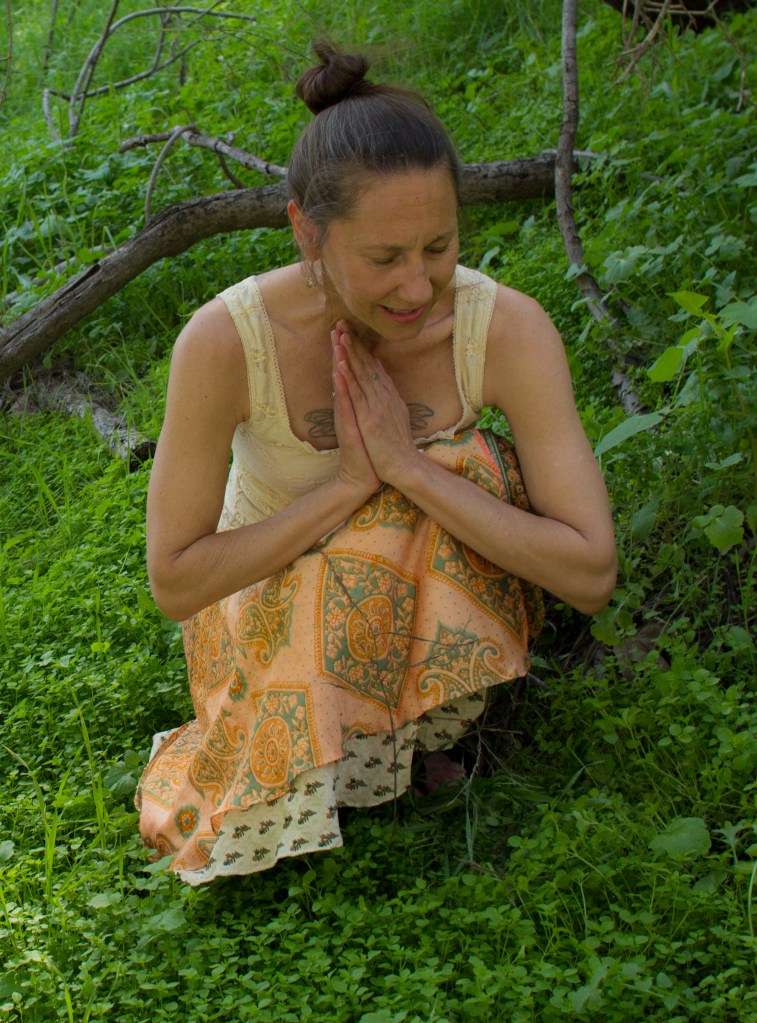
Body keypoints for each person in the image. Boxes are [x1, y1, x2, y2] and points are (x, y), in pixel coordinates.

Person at [135, 42, 617, 885]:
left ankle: (424, 732)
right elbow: (175, 582)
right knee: (365, 532)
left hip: (427, 594)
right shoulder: (225, 342)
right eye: (384, 258)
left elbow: (589, 571)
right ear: (306, 231)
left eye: (439, 245)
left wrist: (409, 467)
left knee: (461, 466)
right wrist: (352, 485)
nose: (418, 287)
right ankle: (345, 758)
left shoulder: (503, 328)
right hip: (271, 616)